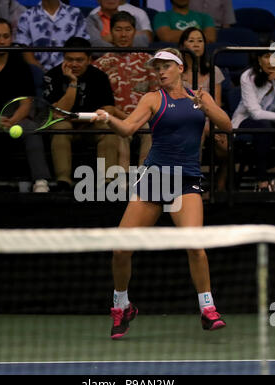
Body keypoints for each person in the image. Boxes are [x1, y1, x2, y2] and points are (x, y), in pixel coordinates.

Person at [94, 48, 232, 339]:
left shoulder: (201, 97)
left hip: (187, 180)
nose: (160, 71)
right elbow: (127, 129)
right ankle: (122, 305)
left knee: (195, 246)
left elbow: (227, 125)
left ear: (180, 68)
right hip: (155, 179)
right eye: (157, 67)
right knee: (120, 248)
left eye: (165, 66)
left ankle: (207, 309)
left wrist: (204, 106)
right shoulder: (153, 98)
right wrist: (108, 118)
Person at [0, 18, 51, 192]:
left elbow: (26, 102)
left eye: (5, 36)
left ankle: (41, 180)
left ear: (11, 38)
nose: (2, 41)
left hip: (15, 118)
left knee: (31, 129)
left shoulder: (20, 63)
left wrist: (11, 121)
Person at [43, 37, 118, 191]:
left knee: (108, 128)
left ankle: (107, 181)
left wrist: (94, 117)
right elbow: (58, 114)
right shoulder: (53, 75)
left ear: (89, 60)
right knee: (61, 126)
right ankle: (63, 181)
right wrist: (73, 83)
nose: (74, 64)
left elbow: (109, 109)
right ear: (63, 58)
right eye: (70, 59)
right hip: (67, 126)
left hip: (91, 125)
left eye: (79, 60)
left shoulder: (99, 76)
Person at [93, 11, 159, 173]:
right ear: (110, 33)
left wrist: (138, 119)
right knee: (119, 129)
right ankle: (121, 184)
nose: (123, 35)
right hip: (114, 118)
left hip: (143, 118)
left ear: (135, 32)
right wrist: (124, 120)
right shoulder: (100, 65)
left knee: (150, 130)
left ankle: (145, 180)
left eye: (128, 30)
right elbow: (101, 104)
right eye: (118, 29)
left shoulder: (148, 61)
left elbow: (157, 96)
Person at [178, 27, 227, 191]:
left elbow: (217, 104)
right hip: (183, 118)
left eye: (200, 41)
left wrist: (210, 122)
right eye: (191, 41)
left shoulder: (214, 71)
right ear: (182, 45)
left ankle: (220, 183)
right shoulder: (175, 72)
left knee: (227, 145)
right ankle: (192, 186)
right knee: (196, 132)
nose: (196, 45)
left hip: (209, 117)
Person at [232, 49, 275, 192]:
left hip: (273, 122)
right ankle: (262, 181)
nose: (271, 61)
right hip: (246, 121)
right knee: (264, 126)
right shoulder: (248, 76)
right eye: (266, 56)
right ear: (258, 60)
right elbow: (255, 113)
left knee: (268, 126)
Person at [15, 0, 90, 71]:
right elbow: (26, 52)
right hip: (38, 74)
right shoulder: (26, 17)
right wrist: (43, 74)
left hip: (70, 71)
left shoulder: (75, 14)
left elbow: (81, 47)